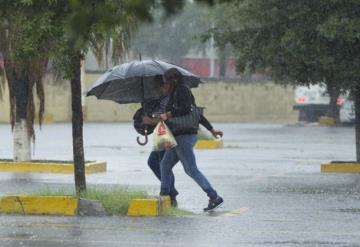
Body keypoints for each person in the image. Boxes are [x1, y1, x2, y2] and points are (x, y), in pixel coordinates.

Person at [142, 81, 223, 208]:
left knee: (191, 169)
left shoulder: (179, 102)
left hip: (182, 138)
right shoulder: (180, 101)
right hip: (177, 138)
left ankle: (214, 196)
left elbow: (170, 116)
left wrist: (152, 120)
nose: (164, 87)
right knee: (165, 164)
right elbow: (198, 115)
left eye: (165, 83)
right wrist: (212, 130)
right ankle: (165, 194)